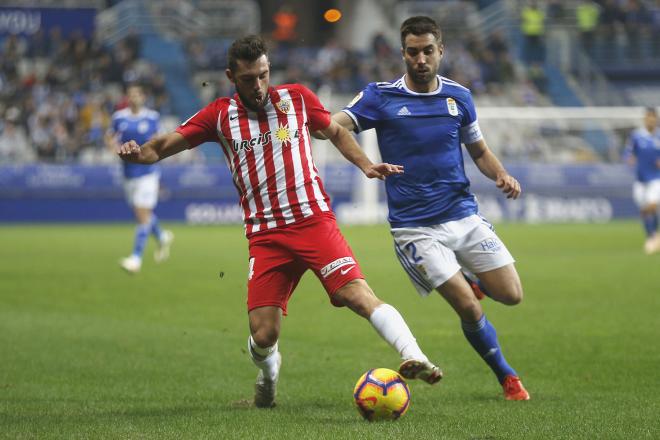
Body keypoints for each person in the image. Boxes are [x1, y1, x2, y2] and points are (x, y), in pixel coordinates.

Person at [116, 35, 442, 408]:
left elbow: (335, 131)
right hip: (266, 236)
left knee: (356, 294)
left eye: (263, 75)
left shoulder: (297, 99)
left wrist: (366, 165)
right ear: (230, 76)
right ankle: (268, 377)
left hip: (313, 221)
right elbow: (160, 147)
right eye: (248, 78)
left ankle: (415, 355)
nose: (258, 86)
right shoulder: (219, 115)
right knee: (263, 334)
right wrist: (136, 154)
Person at [328, 16, 530, 400]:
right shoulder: (380, 96)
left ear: (441, 51)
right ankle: (507, 376)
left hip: (463, 214)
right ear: (402, 53)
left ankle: (471, 277)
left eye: (427, 51)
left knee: (511, 294)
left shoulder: (459, 98)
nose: (420, 59)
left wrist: (501, 175)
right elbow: (332, 126)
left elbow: (480, 151)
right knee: (469, 308)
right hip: (415, 228)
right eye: (412, 52)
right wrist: (364, 163)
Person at [106, 84, 174, 273]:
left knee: (141, 216)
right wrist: (114, 148)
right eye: (131, 94)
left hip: (147, 173)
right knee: (142, 212)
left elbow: (160, 139)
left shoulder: (152, 117)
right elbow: (110, 137)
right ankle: (161, 236)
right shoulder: (119, 117)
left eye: (137, 94)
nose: (134, 97)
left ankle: (136, 259)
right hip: (128, 172)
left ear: (143, 97)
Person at [623, 107, 660, 254]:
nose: (651, 119)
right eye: (648, 117)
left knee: (651, 206)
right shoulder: (637, 136)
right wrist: (629, 158)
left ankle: (653, 237)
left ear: (656, 119)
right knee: (646, 210)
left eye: (653, 117)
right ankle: (652, 236)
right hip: (640, 179)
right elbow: (627, 152)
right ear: (645, 119)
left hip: (656, 178)